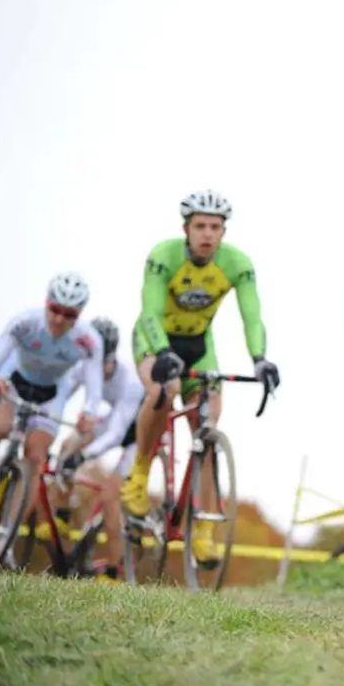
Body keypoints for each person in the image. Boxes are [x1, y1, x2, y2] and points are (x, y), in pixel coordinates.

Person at [123, 190, 281, 568]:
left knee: (207, 432)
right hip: (154, 339)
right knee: (167, 389)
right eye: (200, 226)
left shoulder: (236, 264)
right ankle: (140, 471)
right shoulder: (164, 256)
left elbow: (252, 316)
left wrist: (259, 359)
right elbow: (149, 310)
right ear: (186, 229)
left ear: (224, 231)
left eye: (215, 227)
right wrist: (162, 353)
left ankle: (205, 531)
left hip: (199, 345)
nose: (207, 234)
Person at [0, 273, 104, 566]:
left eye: (69, 314)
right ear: (46, 303)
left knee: (35, 457)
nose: (59, 319)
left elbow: (94, 391)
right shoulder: (26, 323)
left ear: (79, 314)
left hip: (50, 394)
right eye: (54, 309)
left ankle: (5, 537)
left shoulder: (88, 340)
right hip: (12, 383)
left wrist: (89, 414)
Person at [51, 317, 144, 583]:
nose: (97, 366)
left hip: (136, 434)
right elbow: (61, 397)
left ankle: (116, 570)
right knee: (67, 445)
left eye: (103, 360)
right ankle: (62, 513)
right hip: (113, 420)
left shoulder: (130, 381)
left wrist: (85, 456)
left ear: (112, 357)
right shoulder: (85, 367)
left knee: (109, 495)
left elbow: (116, 433)